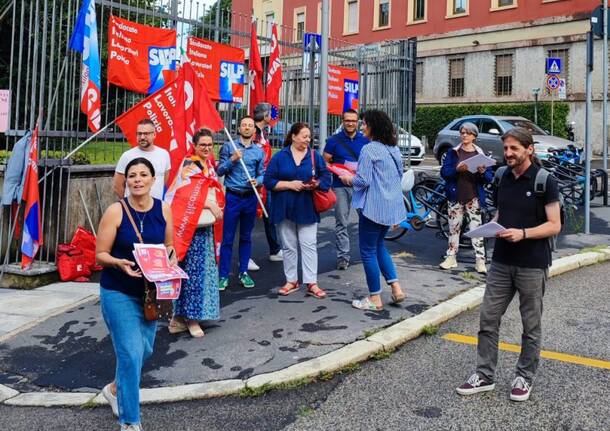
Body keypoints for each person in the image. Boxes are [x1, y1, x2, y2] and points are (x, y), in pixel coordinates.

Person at [456, 127, 561, 402]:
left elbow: (554, 225)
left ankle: (524, 377)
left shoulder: (544, 180)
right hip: (502, 261)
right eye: (506, 149)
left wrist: (522, 233)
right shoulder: (502, 176)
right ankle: (484, 374)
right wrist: (494, 226)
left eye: (514, 148)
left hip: (532, 264)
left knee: (531, 325)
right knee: (488, 318)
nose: (508, 153)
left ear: (529, 149)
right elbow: (503, 211)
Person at [96, 157, 176, 431]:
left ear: (154, 180)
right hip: (118, 290)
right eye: (132, 176)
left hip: (151, 293)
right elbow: (100, 254)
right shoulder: (115, 212)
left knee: (145, 350)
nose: (138, 179)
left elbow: (170, 245)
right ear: (126, 181)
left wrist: (171, 261)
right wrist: (118, 262)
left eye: (143, 174)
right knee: (130, 353)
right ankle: (130, 422)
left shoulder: (164, 209)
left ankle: (115, 389)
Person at [339, 110, 406, 311]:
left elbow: (363, 181)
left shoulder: (369, 150)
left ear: (373, 127)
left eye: (364, 124)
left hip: (372, 209)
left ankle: (375, 298)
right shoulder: (393, 149)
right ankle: (396, 288)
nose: (362, 127)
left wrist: (348, 178)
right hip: (390, 208)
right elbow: (398, 175)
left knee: (368, 251)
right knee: (379, 247)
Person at [263, 122, 331, 299]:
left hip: (307, 207)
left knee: (309, 245)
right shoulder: (280, 157)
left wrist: (316, 184)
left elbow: (326, 177)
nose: (307, 140)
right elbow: (268, 181)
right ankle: (291, 280)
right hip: (284, 207)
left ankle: (312, 283)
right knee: (289, 246)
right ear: (293, 136)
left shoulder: (315, 156)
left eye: (309, 137)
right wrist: (289, 184)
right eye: (304, 136)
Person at [168, 129, 223, 338]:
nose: (207, 148)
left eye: (210, 145)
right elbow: (181, 197)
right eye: (203, 145)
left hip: (203, 229)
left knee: (199, 272)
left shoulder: (208, 166)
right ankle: (190, 318)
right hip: (189, 229)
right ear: (195, 145)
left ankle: (181, 317)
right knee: (191, 273)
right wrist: (208, 203)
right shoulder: (189, 166)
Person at [217, 116, 265, 291]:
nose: (246, 128)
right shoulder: (229, 146)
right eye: (244, 125)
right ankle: (223, 276)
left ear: (254, 130)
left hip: (250, 198)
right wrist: (233, 159)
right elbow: (220, 170)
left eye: (250, 126)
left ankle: (243, 272)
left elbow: (263, 174)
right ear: (239, 129)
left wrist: (257, 181)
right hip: (232, 197)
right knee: (227, 238)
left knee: (246, 237)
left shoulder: (259, 151)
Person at [439, 122, 493, 274]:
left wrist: (482, 172)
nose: (464, 135)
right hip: (455, 195)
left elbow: (489, 178)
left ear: (474, 136)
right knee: (453, 227)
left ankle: (480, 260)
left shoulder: (480, 155)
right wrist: (456, 170)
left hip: (473, 196)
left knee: (476, 229)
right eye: (462, 132)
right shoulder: (453, 152)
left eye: (467, 133)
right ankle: (451, 257)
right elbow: (445, 172)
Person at [323, 109, 369, 270]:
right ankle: (343, 256)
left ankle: (367, 253)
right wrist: (337, 170)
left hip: (360, 186)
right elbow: (325, 161)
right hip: (340, 186)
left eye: (353, 120)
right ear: (343, 121)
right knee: (341, 221)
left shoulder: (365, 141)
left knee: (366, 220)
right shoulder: (333, 140)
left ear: (357, 122)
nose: (350, 123)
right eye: (347, 120)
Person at [248, 103, 283, 272]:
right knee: (249, 221)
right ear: (264, 115)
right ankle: (245, 256)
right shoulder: (253, 133)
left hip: (264, 181)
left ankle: (275, 249)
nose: (272, 116)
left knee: (270, 215)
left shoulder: (262, 132)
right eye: (270, 114)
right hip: (254, 182)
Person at [114, 119, 171, 200]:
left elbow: (164, 180)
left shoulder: (164, 154)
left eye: (146, 134)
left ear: (154, 134)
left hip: (155, 208)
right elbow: (118, 186)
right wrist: (127, 204)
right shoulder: (127, 156)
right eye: (139, 134)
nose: (142, 137)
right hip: (132, 209)